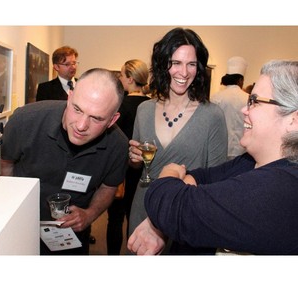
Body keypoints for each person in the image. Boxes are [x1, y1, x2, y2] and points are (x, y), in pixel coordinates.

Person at [128, 60, 298, 255]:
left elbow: (174, 206)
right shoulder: (249, 162)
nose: (244, 109)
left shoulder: (281, 187)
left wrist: (169, 172)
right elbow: (203, 177)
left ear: (294, 119)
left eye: (255, 101)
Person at [1, 68, 129, 255]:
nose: (81, 126)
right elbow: (5, 164)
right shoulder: (25, 120)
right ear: (69, 97)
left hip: (71, 236)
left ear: (112, 120)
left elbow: (108, 187)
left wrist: (89, 215)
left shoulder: (118, 145)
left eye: (96, 118)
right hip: (20, 228)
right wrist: (12, 210)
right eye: (77, 109)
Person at [128, 27, 228, 255]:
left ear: (199, 68)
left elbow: (215, 182)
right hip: (143, 205)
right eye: (176, 62)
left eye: (191, 64)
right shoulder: (144, 109)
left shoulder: (212, 115)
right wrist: (134, 159)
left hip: (186, 215)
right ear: (163, 64)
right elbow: (139, 165)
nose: (184, 72)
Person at [106, 59, 151, 255]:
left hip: (120, 170)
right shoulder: (153, 106)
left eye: (122, 75)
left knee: (115, 219)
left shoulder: (120, 105)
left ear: (130, 79)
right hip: (145, 170)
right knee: (138, 218)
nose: (120, 78)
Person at [211, 56, 250, 159]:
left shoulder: (216, 97)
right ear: (240, 80)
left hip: (220, 148)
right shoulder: (248, 98)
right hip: (242, 150)